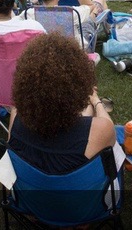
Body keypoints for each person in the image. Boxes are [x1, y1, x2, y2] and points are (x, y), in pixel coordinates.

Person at [8, 33, 115, 175]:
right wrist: (96, 101)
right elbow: (108, 129)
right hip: (81, 196)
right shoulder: (101, 129)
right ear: (78, 86)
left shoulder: (16, 116)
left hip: (30, 194)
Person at [26, 0, 107, 48]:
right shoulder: (71, 12)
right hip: (74, 51)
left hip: (47, 50)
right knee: (96, 4)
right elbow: (91, 5)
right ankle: (109, 30)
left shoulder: (29, 13)